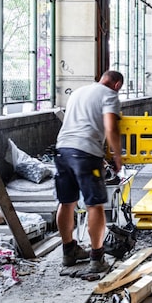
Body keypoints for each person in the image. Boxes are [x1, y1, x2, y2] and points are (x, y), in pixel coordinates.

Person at [55, 70, 124, 273]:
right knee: (95, 204)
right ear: (117, 85)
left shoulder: (78, 92)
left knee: (66, 202)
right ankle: (97, 257)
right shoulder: (110, 95)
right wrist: (117, 155)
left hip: (62, 150)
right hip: (86, 154)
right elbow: (111, 127)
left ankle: (69, 252)